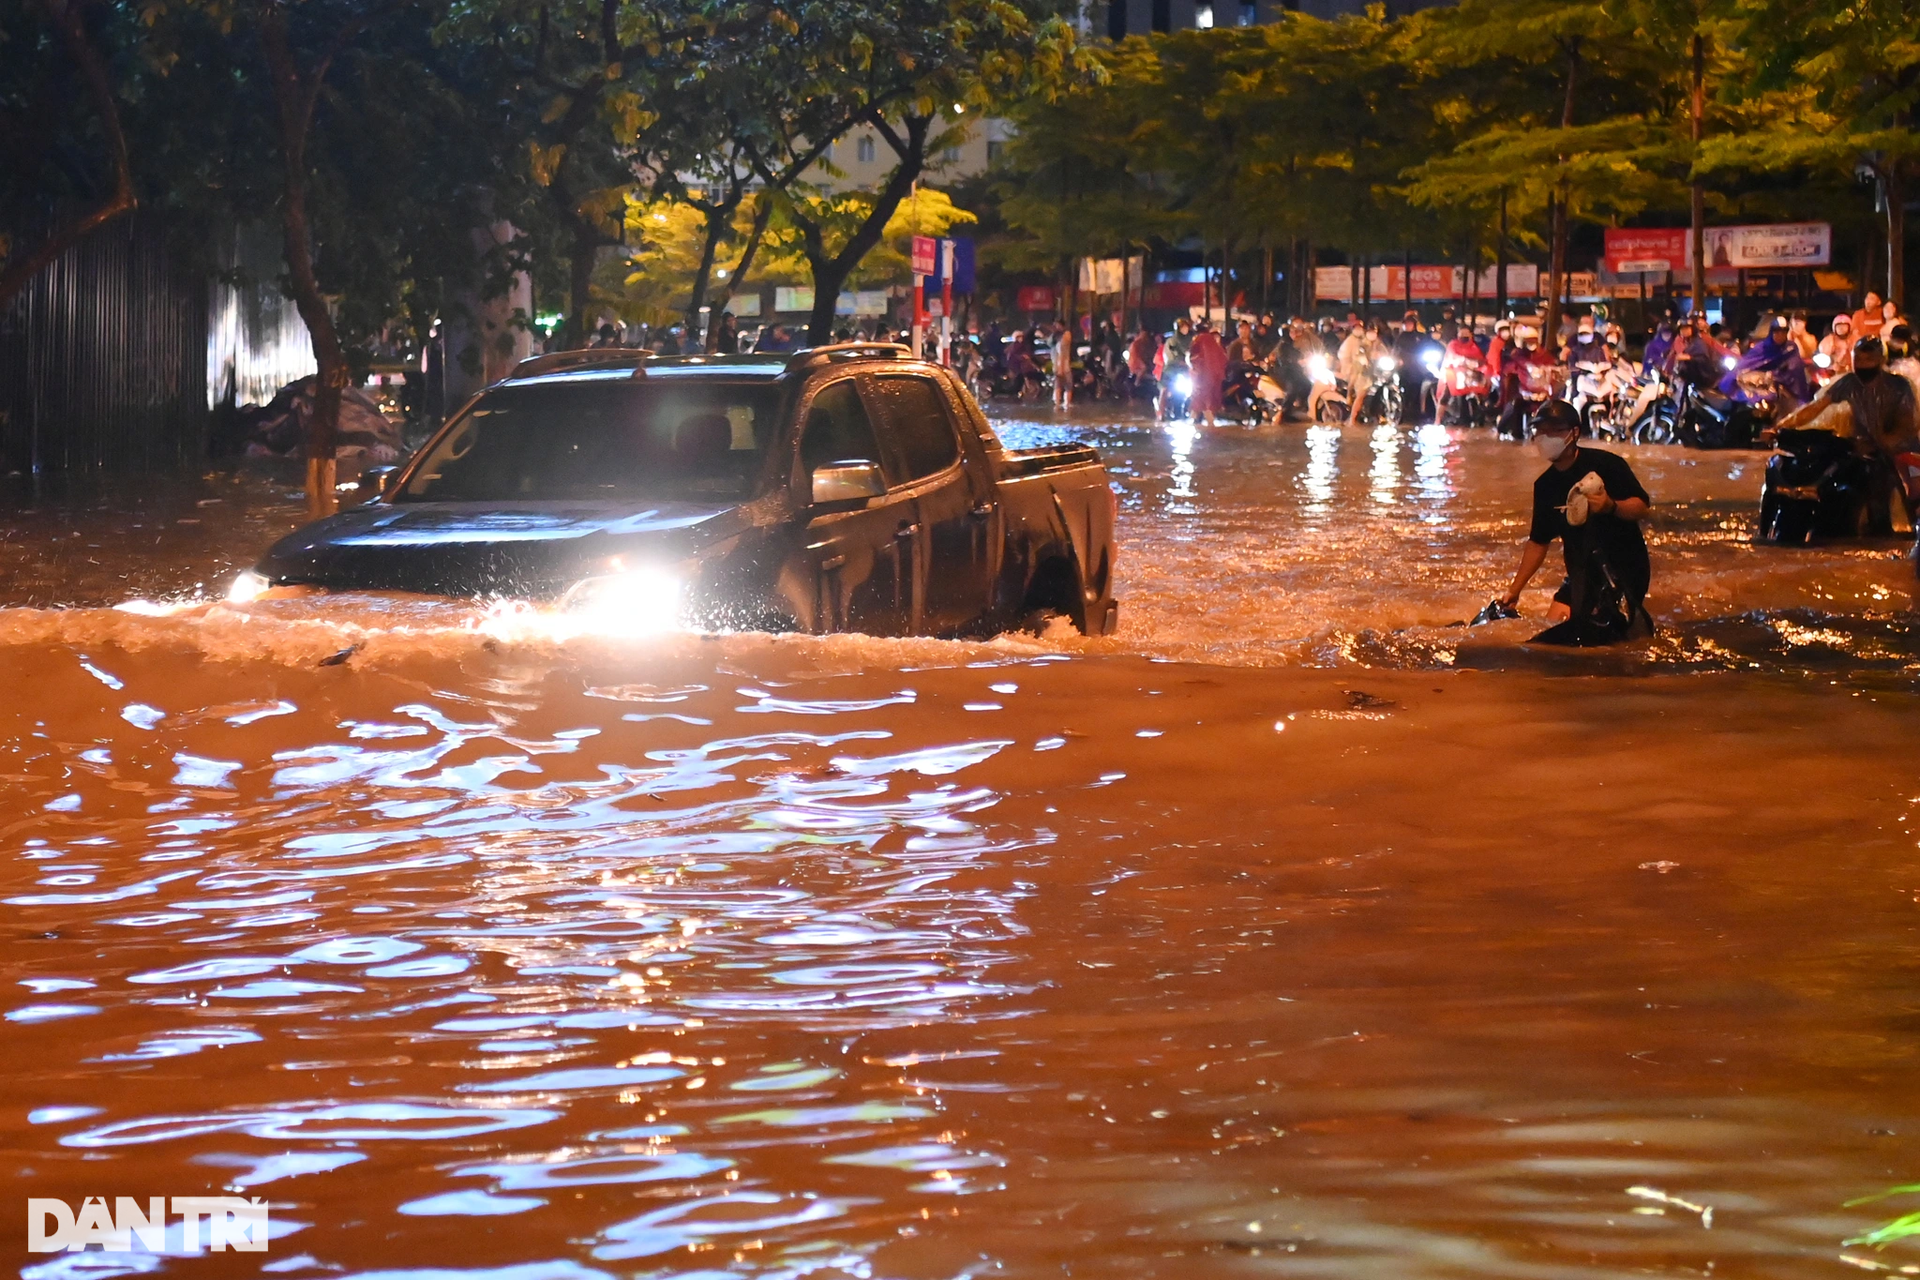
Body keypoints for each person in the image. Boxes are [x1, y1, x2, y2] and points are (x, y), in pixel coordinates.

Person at [1497, 398, 1655, 644]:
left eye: (1556, 430)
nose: (1546, 437)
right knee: (1550, 637)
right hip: (1581, 572)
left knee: (1607, 640)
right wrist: (1514, 591)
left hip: (1623, 568)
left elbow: (1642, 507)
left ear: (1574, 433)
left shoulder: (1606, 464)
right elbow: (1538, 542)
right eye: (1541, 430)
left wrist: (1611, 506)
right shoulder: (1545, 485)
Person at [1776, 335, 1920, 542]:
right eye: (1859, 360)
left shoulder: (1900, 387)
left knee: (1910, 497)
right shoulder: (1848, 383)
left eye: (1869, 360)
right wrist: (1783, 426)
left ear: (1880, 360)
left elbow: (1907, 428)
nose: (1863, 365)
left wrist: (1880, 444)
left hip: (1901, 452)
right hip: (1865, 449)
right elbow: (1815, 408)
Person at [1338, 318, 1385, 426]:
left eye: (1374, 331)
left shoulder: (1378, 342)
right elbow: (1359, 355)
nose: (1372, 334)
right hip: (1361, 373)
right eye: (1370, 331)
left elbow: (1385, 352)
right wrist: (1364, 359)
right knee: (1361, 395)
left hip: (1375, 373)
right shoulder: (1362, 343)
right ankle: (1352, 419)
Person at [1187, 318, 1229, 428]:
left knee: (1200, 399)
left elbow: (1192, 358)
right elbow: (1224, 359)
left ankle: (1208, 423)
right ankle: (1195, 420)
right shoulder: (1213, 342)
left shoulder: (1197, 340)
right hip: (1215, 376)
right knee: (1206, 400)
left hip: (1202, 377)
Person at [1157, 317, 1193, 421]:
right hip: (1171, 370)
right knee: (1165, 390)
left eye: (1186, 327)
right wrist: (1178, 361)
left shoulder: (1191, 341)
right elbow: (1169, 356)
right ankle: (1161, 413)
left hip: (1186, 371)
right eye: (1183, 327)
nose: (1185, 329)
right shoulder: (1171, 341)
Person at [1818, 313, 1856, 378]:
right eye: (1839, 326)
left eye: (1844, 326)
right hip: (1834, 371)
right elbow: (1823, 354)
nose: (1841, 328)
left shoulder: (1855, 338)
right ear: (1834, 327)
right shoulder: (1829, 339)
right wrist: (1830, 349)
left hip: (1852, 371)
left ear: (1849, 327)